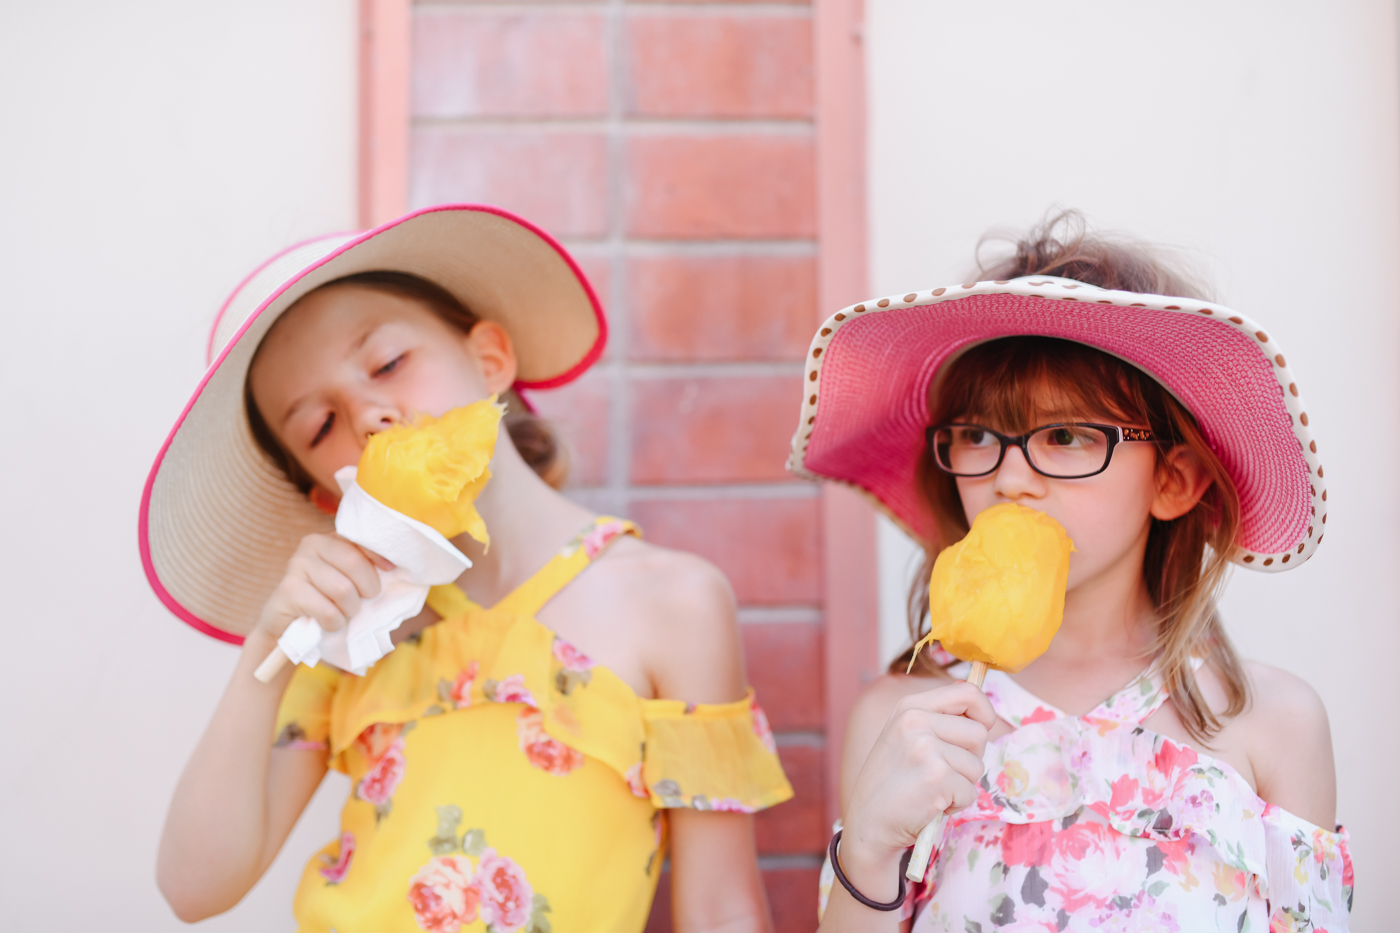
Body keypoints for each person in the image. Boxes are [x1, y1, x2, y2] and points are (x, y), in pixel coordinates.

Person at [146, 205, 791, 932]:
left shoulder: (675, 604)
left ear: (490, 361)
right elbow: (192, 886)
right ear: (329, 492)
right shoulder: (347, 639)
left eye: (388, 363)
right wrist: (268, 646)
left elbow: (721, 910)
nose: (369, 416)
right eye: (321, 426)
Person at [792, 214, 1352, 931]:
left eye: (1064, 436)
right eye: (978, 436)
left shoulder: (1276, 727)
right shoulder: (900, 720)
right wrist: (868, 847)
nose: (1011, 477)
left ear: (1174, 480)